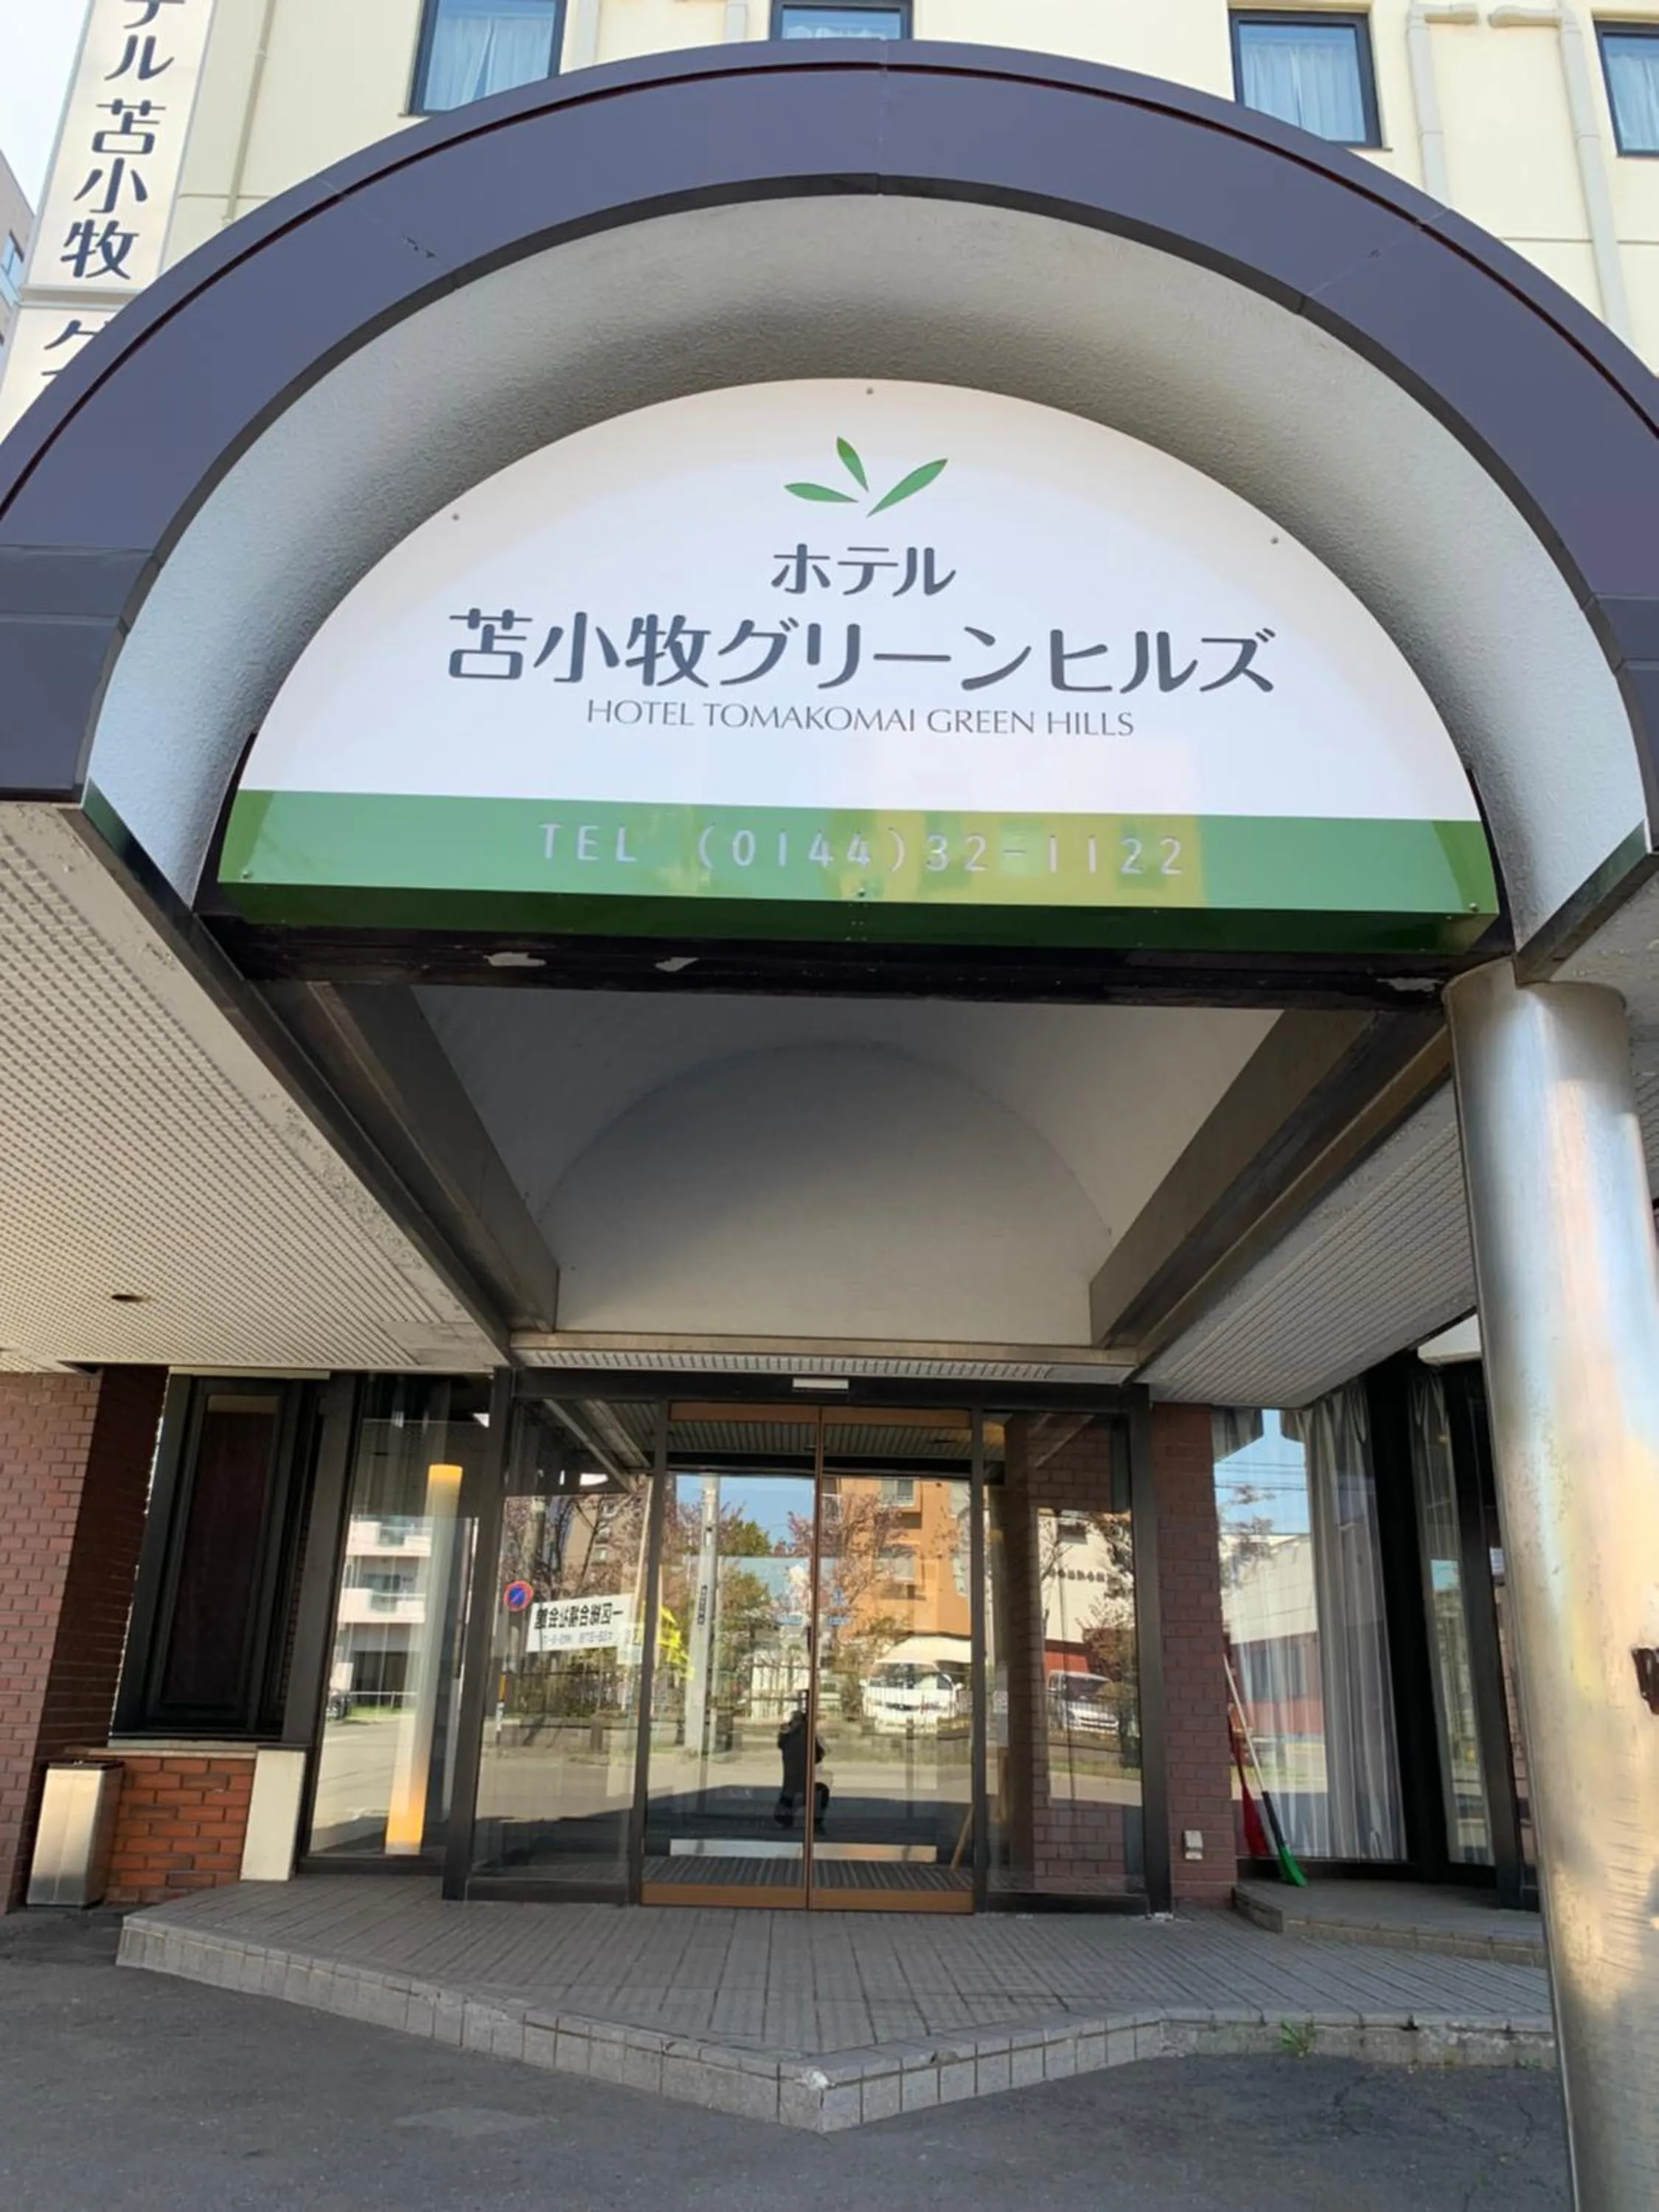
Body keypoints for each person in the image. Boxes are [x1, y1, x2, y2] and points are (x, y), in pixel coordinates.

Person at [775, 1703, 828, 1835]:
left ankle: (787, 1816)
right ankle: (814, 1822)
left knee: (795, 1795)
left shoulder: (790, 1735)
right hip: (802, 1779)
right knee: (817, 1794)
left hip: (793, 1781)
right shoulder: (804, 1735)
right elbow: (820, 1754)